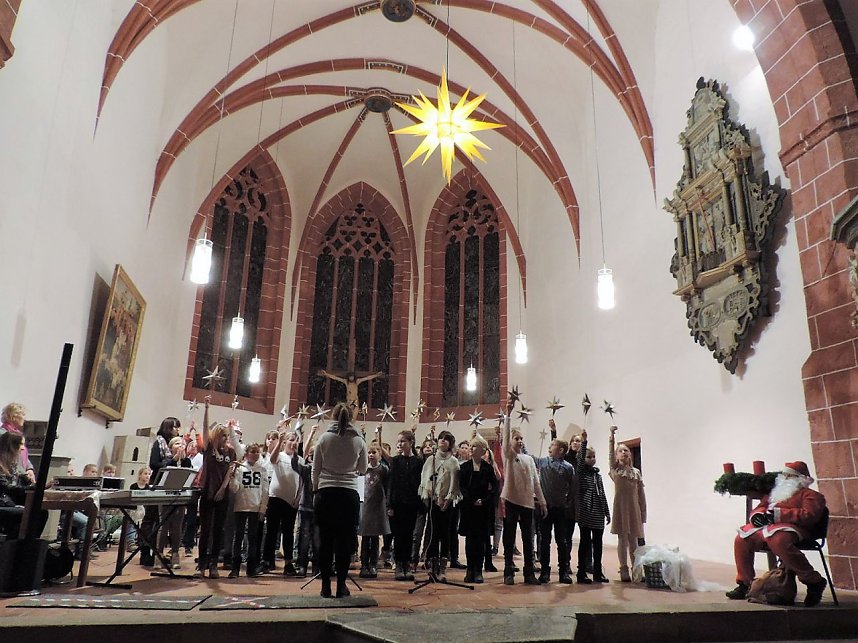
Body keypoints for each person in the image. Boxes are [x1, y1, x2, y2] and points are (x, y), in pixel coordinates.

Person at [727, 461, 828, 606]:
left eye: (789, 476)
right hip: (767, 527)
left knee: (778, 540)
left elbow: (809, 515)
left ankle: (813, 581)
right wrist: (759, 516)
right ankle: (744, 583)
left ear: (801, 479)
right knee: (742, 539)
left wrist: (778, 514)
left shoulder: (811, 495)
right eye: (784, 475)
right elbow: (760, 507)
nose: (785, 479)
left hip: (794, 528)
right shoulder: (775, 493)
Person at [312, 402, 367, 598]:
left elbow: (315, 468)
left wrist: (315, 489)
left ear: (333, 417)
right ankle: (341, 586)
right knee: (344, 542)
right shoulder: (358, 440)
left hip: (326, 493)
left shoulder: (324, 438)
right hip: (348, 494)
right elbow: (362, 469)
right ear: (351, 418)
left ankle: (325, 586)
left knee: (325, 541)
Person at [500, 400, 547, 585]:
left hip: (528, 502)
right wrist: (508, 416)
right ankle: (508, 571)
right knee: (509, 537)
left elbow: (536, 482)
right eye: (516, 438)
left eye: (521, 439)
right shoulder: (510, 456)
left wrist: (542, 501)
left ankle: (529, 573)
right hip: (511, 500)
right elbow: (504, 442)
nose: (519, 441)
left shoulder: (528, 459)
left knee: (528, 538)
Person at [196, 398, 241, 578]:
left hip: (222, 494)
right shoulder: (208, 448)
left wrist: (223, 489)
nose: (225, 438)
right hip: (207, 492)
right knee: (205, 530)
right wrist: (206, 407)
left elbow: (230, 471)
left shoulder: (230, 452)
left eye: (226, 436)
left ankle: (214, 563)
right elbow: (205, 429)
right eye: (222, 435)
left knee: (218, 529)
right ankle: (201, 565)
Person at [418, 429, 461, 581]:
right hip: (433, 502)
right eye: (441, 438)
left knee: (446, 535)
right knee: (433, 534)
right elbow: (425, 479)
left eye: (446, 439)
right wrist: (431, 496)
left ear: (450, 443)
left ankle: (443, 568)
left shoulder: (454, 461)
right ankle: (433, 567)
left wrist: (447, 499)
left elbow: (454, 483)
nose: (442, 440)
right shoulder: (431, 459)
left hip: (448, 504)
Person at [534, 430, 576, 584]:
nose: (549, 447)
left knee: (562, 541)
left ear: (561, 451)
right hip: (545, 508)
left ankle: (563, 571)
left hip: (560, 508)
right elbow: (528, 457)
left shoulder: (568, 467)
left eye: (552, 445)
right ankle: (545, 571)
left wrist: (567, 502)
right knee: (545, 540)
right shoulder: (543, 462)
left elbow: (572, 488)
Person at [608, 426, 646, 582]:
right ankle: (623, 569)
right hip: (621, 507)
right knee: (622, 538)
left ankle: (636, 570)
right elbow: (610, 455)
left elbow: (641, 494)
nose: (624, 452)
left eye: (626, 450)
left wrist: (643, 512)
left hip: (634, 508)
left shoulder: (636, 472)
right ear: (617, 455)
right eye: (620, 451)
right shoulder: (616, 469)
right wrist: (611, 437)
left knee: (634, 541)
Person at [458, 434, 497, 584]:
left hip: (483, 509)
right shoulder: (465, 467)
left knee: (481, 541)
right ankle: (470, 570)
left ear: (482, 450)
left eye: (475, 446)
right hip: (469, 508)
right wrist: (471, 500)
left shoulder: (488, 468)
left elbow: (494, 487)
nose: (472, 449)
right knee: (470, 540)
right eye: (471, 446)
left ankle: (478, 570)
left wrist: (485, 500)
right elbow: (461, 486)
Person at [263, 425, 302, 575]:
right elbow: (272, 459)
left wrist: (298, 498)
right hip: (275, 498)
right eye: (291, 440)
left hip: (291, 501)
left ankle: (288, 564)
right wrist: (278, 441)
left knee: (288, 533)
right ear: (285, 442)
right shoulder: (279, 456)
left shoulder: (299, 460)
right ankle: (267, 561)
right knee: (271, 532)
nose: (293, 443)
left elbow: (302, 482)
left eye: (296, 441)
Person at [386, 429, 423, 581]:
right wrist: (389, 505)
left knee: (409, 535)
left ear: (411, 443)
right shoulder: (395, 461)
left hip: (412, 503)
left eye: (403, 441)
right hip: (397, 503)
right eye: (399, 441)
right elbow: (391, 484)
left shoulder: (419, 462)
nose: (400, 444)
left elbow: (421, 483)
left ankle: (407, 564)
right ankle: (399, 565)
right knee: (399, 535)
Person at [228, 442, 269, 578]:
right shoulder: (240, 468)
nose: (256, 454)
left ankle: (251, 568)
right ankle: (235, 568)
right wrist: (232, 476)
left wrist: (263, 509)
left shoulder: (262, 469)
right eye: (253, 452)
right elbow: (234, 489)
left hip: (255, 507)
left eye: (258, 452)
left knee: (253, 538)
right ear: (246, 454)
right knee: (238, 536)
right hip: (240, 506)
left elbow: (265, 491)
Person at [576, 430, 610, 584]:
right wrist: (584, 442)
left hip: (598, 514)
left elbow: (602, 494)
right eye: (589, 457)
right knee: (584, 544)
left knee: (598, 544)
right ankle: (581, 573)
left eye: (593, 456)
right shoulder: (582, 473)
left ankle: (597, 572)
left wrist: (607, 512)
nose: (592, 459)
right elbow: (580, 462)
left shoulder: (598, 475)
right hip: (586, 512)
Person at [0, 432, 47, 538]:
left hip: (9, 502)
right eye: (21, 444)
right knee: (34, 514)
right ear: (12, 446)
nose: (23, 448)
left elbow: (24, 479)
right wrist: (35, 487)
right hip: (3, 504)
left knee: (41, 512)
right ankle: (17, 546)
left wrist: (33, 483)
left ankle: (23, 544)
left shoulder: (14, 463)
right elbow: (8, 488)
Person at [358, 443, 390, 578]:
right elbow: (359, 487)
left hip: (378, 506)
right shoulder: (363, 469)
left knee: (375, 537)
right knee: (365, 537)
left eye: (374, 452)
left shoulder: (384, 469)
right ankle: (364, 565)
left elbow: (388, 487)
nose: (371, 455)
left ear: (379, 454)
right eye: (369, 453)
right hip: (365, 505)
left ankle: (373, 564)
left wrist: (388, 504)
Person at [0, 402, 35, 483]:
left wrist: (29, 468)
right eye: (22, 414)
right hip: (9, 477)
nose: (25, 418)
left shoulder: (18, 434)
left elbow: (22, 453)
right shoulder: (2, 434)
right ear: (13, 416)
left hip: (20, 475)